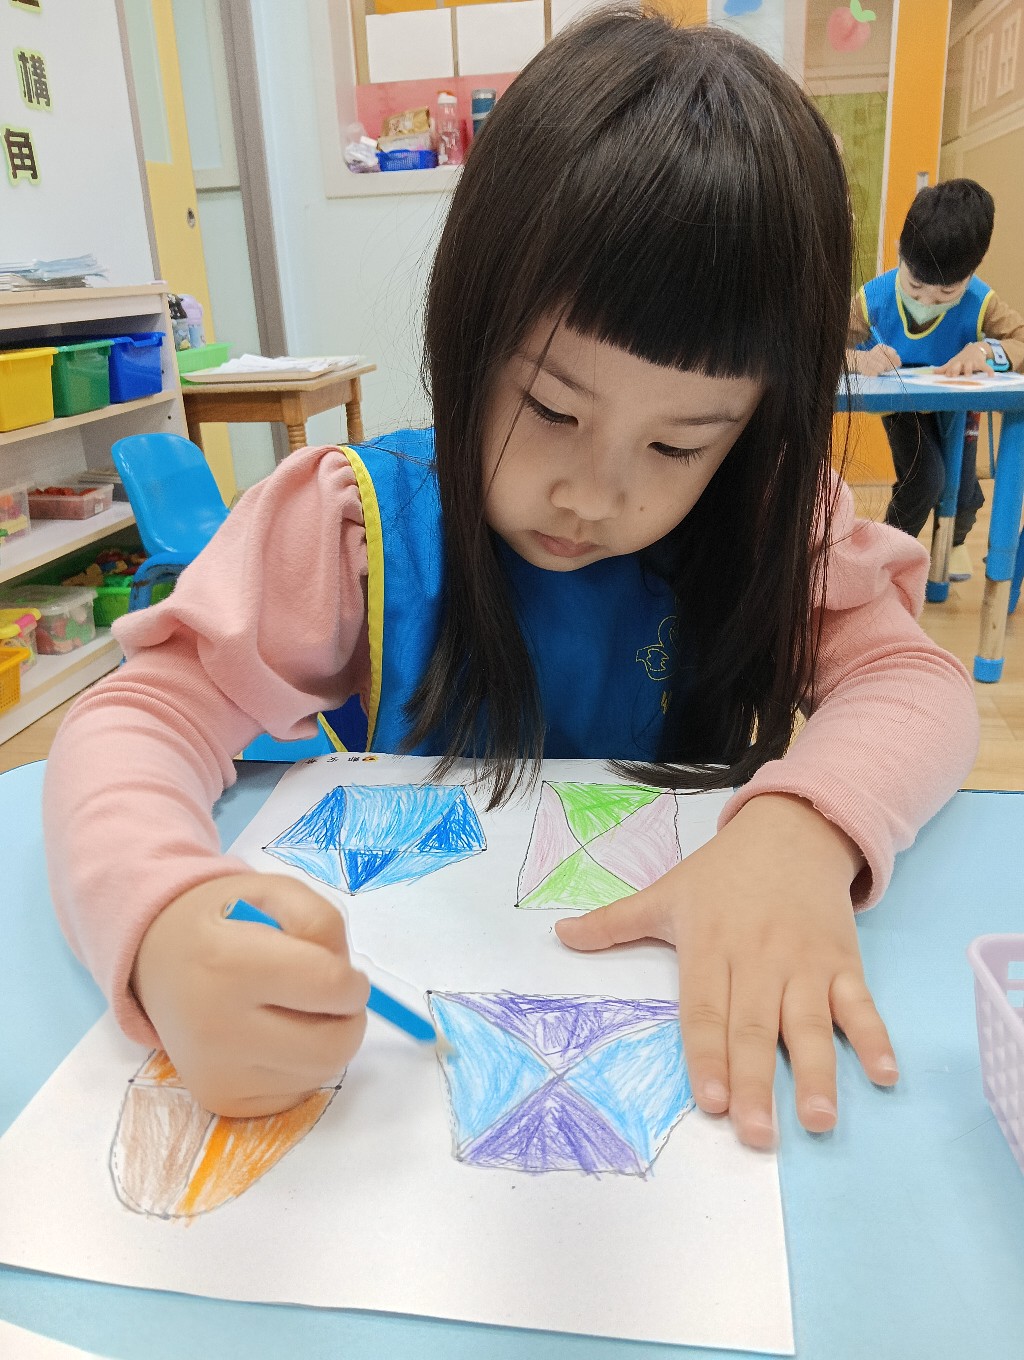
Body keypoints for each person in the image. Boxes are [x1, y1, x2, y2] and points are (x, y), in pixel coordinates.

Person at [44, 10, 979, 1151]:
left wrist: (804, 828)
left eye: (678, 444)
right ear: (469, 327)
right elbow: (139, 718)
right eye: (549, 408)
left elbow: (912, 685)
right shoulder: (355, 527)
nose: (592, 493)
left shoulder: (775, 521)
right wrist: (160, 917)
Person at [847, 179, 1024, 580]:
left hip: (957, 407)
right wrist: (859, 360)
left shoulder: (981, 301)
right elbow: (821, 346)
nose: (926, 300)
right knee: (925, 478)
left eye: (946, 292)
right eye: (914, 285)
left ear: (972, 273)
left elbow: (1019, 341)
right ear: (900, 252)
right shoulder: (873, 299)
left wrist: (985, 351)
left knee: (965, 493)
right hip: (903, 406)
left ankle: (955, 543)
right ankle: (885, 562)